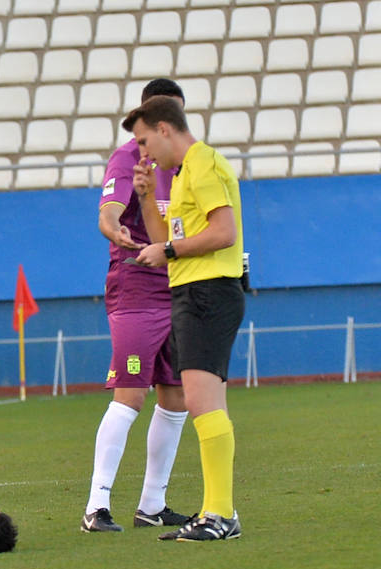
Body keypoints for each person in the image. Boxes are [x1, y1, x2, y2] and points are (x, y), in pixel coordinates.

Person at [123, 96, 245, 542]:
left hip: (209, 292)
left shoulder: (204, 163)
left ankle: (221, 514)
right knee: (202, 403)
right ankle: (217, 512)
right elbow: (164, 244)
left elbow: (223, 231)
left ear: (164, 128)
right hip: (192, 291)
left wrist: (170, 250)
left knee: (203, 402)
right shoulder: (179, 176)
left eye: (144, 141)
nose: (143, 152)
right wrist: (145, 197)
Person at [81, 79, 190, 534]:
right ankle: (96, 506)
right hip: (138, 286)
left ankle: (152, 504)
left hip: (181, 283)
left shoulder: (188, 160)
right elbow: (108, 211)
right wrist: (114, 230)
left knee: (177, 395)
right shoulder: (128, 157)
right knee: (131, 392)